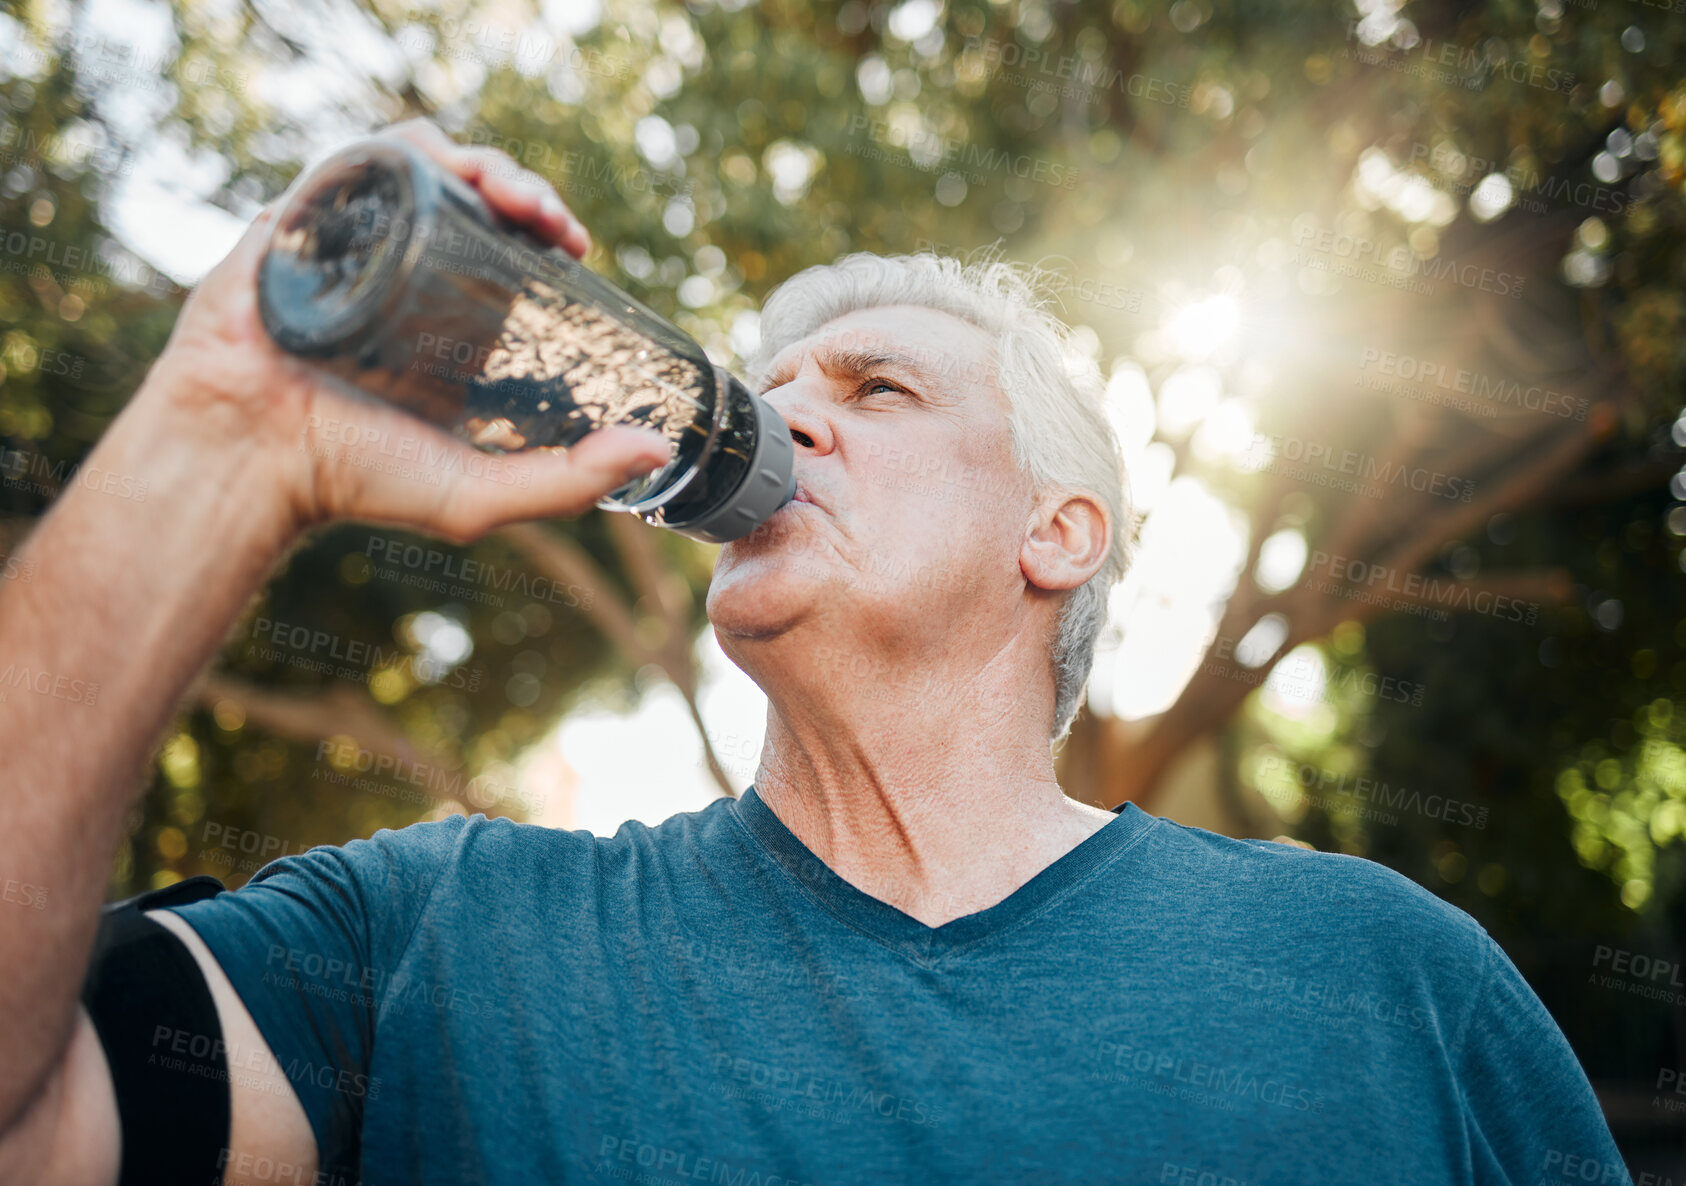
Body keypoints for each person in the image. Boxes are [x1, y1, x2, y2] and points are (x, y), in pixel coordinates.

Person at [0, 119, 1626, 1186]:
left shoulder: (1383, 980)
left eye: (878, 389)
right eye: (771, 383)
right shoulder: (442, 941)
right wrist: (214, 443)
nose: (782, 414)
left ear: (1057, 533)